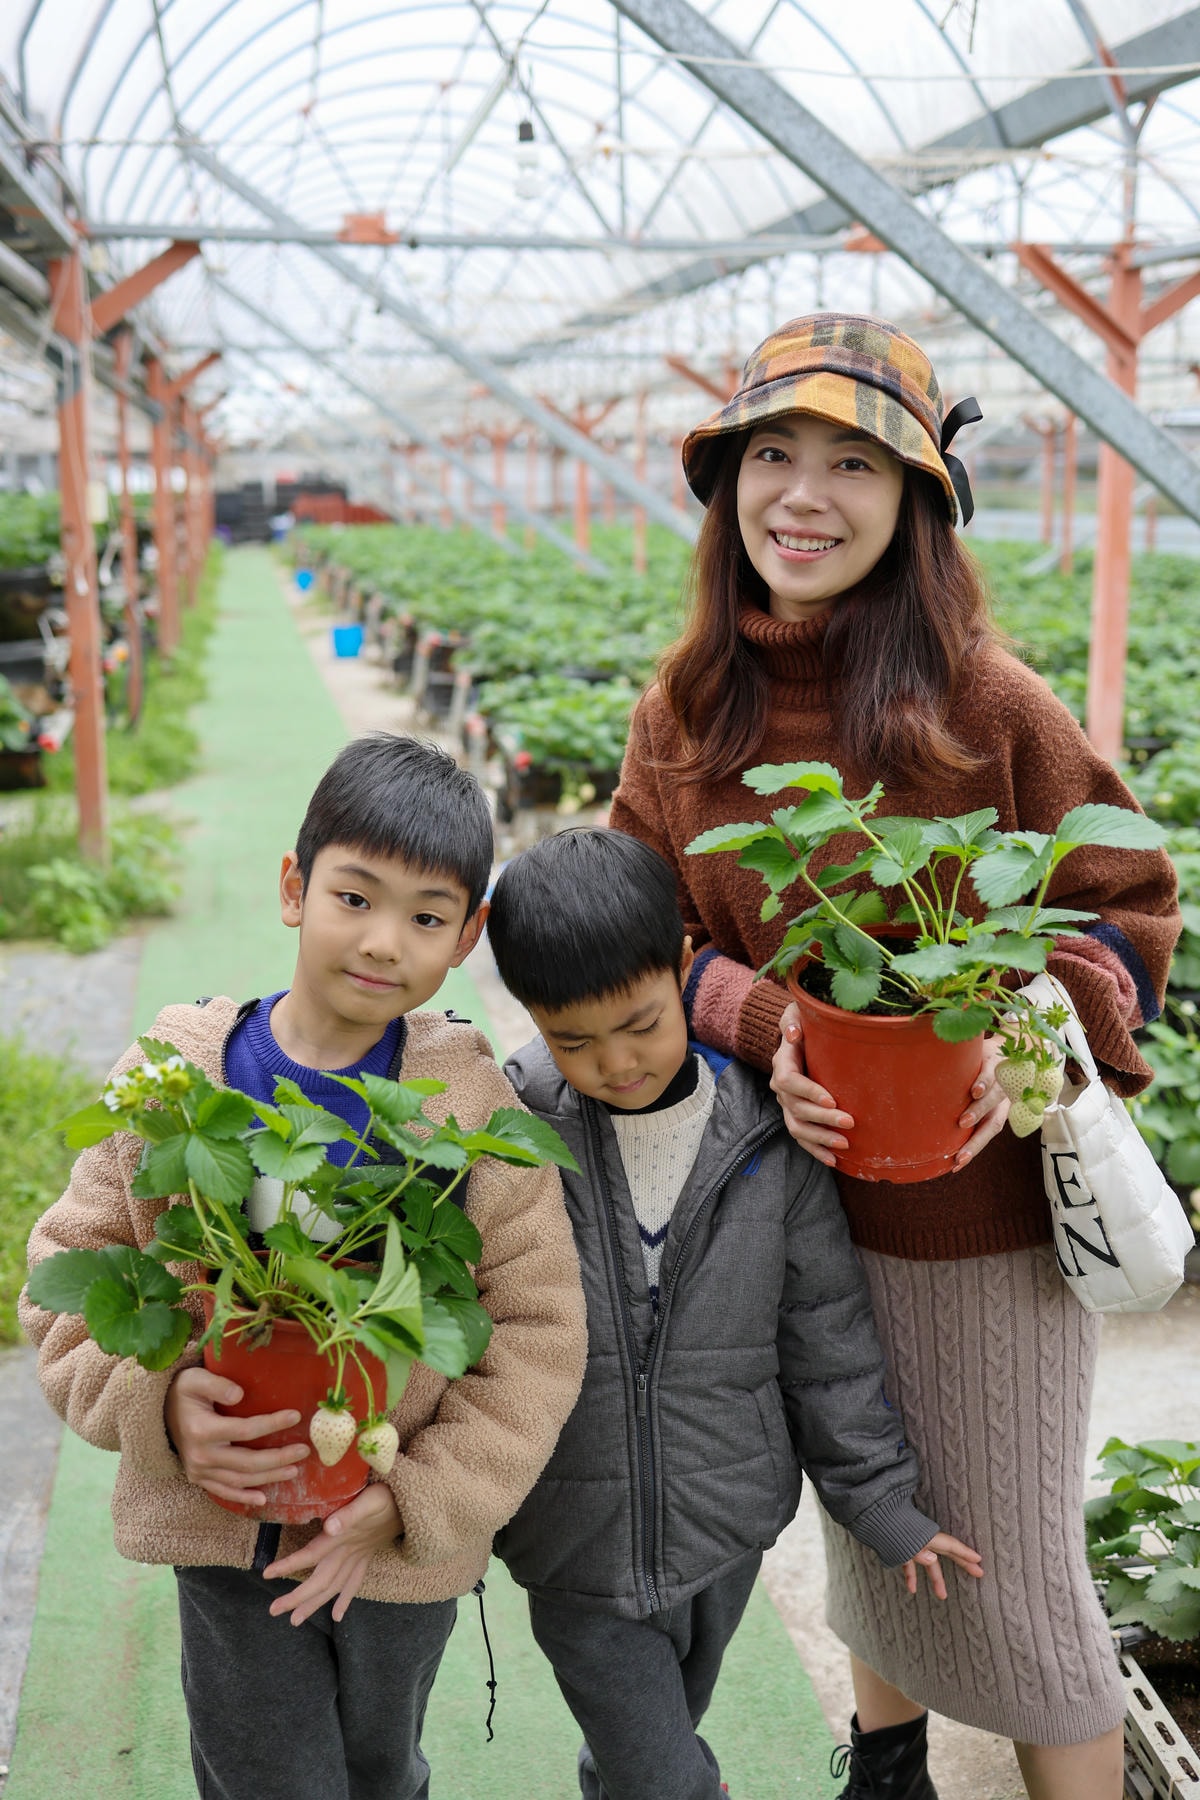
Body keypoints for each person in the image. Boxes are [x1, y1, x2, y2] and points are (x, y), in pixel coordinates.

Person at [609, 313, 1181, 1800]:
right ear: (728, 485)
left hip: (976, 1231)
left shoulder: (987, 704)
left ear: (918, 501)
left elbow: (1127, 901)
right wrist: (761, 1021)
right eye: (773, 456)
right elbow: (645, 932)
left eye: (854, 464)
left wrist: (1023, 1027)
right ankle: (888, 1759)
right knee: (868, 1528)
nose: (804, 495)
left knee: (1019, 1576)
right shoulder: (682, 715)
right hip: (787, 1211)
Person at [21, 733, 588, 1800]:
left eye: (426, 918)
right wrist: (161, 1402)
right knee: (262, 1775)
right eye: (354, 897)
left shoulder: (469, 1111)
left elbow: (538, 1336)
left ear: (467, 936)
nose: (382, 942)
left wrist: (415, 1499)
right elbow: (65, 1281)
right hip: (220, 1520)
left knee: (382, 1770)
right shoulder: (179, 1080)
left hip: (393, 1541)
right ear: (294, 887)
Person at [486, 825, 982, 1800]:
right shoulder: (514, 1129)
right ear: (532, 1016)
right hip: (569, 1535)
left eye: (639, 1024)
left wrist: (877, 1496)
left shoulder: (766, 1131)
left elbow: (826, 1335)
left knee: (649, 1747)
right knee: (666, 1775)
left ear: (682, 967)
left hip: (726, 1524)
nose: (615, 1062)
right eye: (572, 1041)